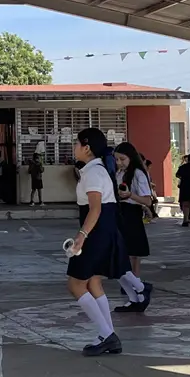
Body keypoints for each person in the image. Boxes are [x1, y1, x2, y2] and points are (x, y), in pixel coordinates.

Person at [67, 128, 129, 357]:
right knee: (93, 282)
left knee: (75, 285)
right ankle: (109, 334)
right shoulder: (98, 170)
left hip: (96, 233)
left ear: (86, 147)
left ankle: (106, 333)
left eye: (76, 143)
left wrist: (81, 236)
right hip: (104, 232)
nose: (74, 148)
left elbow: (95, 209)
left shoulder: (93, 173)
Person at [113, 142, 154, 314]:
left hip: (131, 213)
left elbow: (147, 200)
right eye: (117, 160)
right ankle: (134, 294)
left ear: (131, 157)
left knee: (132, 253)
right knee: (123, 253)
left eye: (122, 159)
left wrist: (131, 195)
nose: (119, 163)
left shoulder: (138, 174)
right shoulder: (120, 173)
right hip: (120, 212)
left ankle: (138, 289)